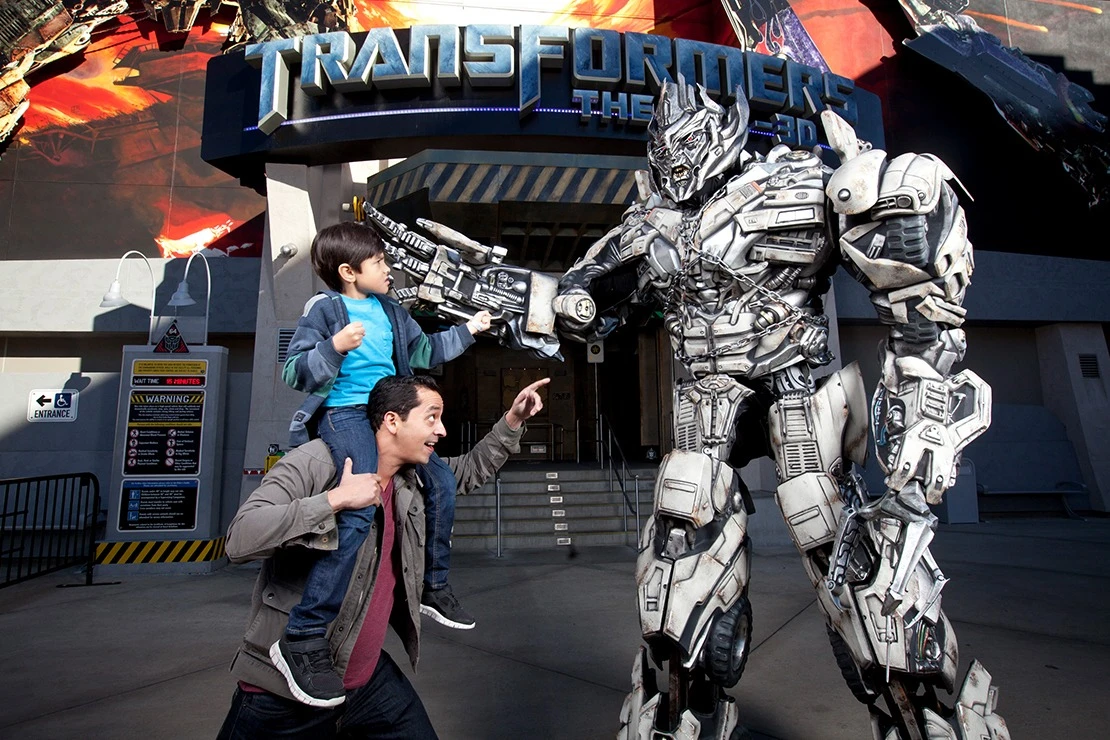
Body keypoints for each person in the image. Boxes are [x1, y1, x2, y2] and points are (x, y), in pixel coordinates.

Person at [218, 374, 549, 739]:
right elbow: (240, 538)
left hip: (362, 679)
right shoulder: (318, 462)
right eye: (432, 417)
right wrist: (334, 501)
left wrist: (514, 420)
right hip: (279, 694)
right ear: (392, 420)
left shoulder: (417, 479)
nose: (441, 430)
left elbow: (470, 470)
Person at [279, 221, 492, 706]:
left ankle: (432, 586)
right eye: (379, 262)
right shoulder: (325, 309)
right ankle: (305, 632)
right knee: (358, 511)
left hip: (387, 412)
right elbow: (294, 371)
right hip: (345, 416)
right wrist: (333, 348)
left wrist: (470, 330)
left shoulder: (392, 313)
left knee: (439, 481)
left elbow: (426, 352)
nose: (389, 269)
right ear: (349, 271)